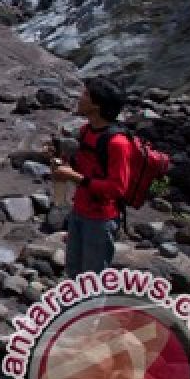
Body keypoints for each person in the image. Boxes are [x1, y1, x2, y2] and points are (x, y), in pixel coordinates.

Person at [50, 77, 131, 276]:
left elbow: (117, 189)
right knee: (73, 272)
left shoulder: (118, 143)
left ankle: (94, 308)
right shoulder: (86, 131)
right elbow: (85, 165)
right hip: (80, 211)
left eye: (85, 95)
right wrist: (60, 160)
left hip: (100, 219)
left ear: (97, 105)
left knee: (93, 279)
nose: (80, 98)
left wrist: (76, 178)